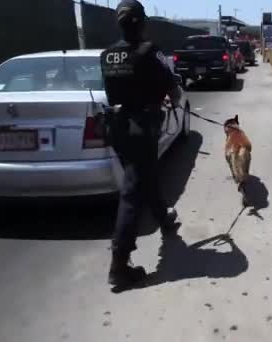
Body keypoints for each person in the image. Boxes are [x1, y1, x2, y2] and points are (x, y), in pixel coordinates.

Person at [100, 0, 183, 287]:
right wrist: (174, 98)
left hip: (119, 127)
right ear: (143, 22)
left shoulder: (107, 55)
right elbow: (173, 88)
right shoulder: (150, 51)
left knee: (145, 175)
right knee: (133, 192)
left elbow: (112, 95)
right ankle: (119, 263)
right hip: (143, 126)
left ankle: (164, 219)